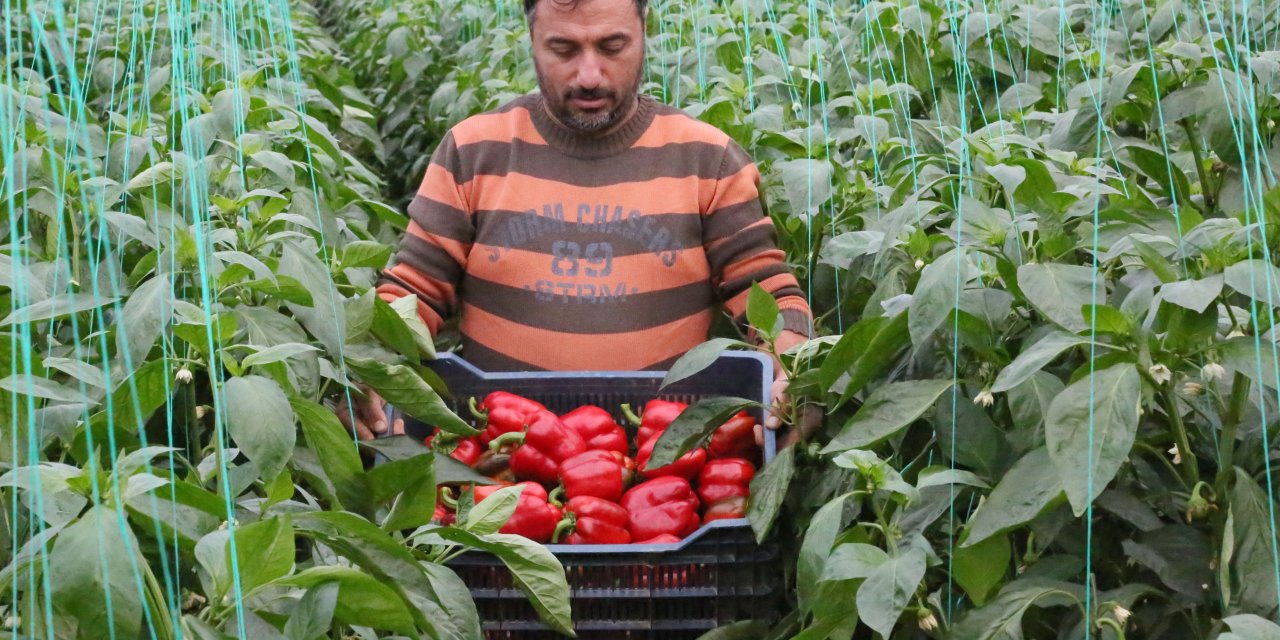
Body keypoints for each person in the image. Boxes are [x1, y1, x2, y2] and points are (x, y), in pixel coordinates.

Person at [336, 0, 816, 447]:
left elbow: (767, 291)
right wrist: (368, 366)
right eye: (563, 48)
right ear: (532, 39)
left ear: (643, 32)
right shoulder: (475, 152)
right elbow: (413, 292)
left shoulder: (707, 160)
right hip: (501, 459)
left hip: (663, 461)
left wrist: (794, 363)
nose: (589, 75)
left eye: (612, 46)